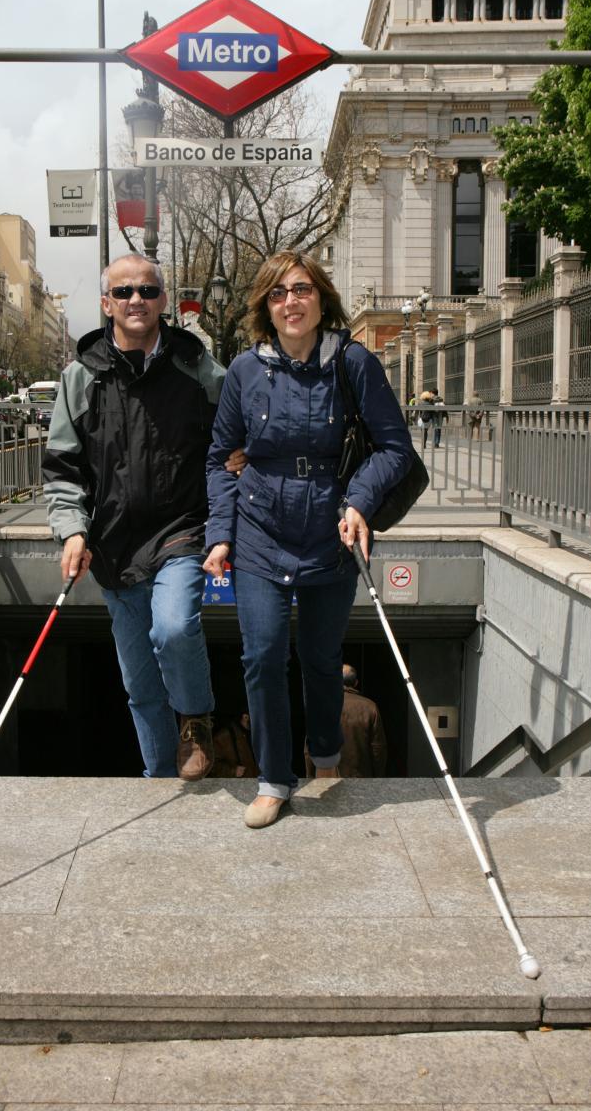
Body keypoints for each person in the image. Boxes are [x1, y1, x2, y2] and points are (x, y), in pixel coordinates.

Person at [203, 250, 414, 828]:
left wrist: (359, 502)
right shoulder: (245, 371)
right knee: (263, 654)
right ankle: (273, 778)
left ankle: (324, 757)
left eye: (301, 290)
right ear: (264, 308)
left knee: (321, 659)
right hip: (260, 529)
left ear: (321, 298)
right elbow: (222, 459)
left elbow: (395, 449)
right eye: (277, 293)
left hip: (330, 526)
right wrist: (220, 534)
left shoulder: (354, 362)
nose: (290, 302)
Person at [43, 253, 240, 782]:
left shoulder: (197, 368)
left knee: (175, 630)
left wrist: (241, 453)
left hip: (181, 530)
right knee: (140, 686)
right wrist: (72, 531)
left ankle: (196, 721)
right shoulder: (79, 378)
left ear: (163, 302)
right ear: (106, 303)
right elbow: (62, 468)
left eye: (148, 291)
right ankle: (157, 779)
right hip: (112, 546)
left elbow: (237, 427)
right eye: (125, 292)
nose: (137, 300)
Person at [305, 665, 387, 778]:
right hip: (360, 779)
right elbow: (378, 749)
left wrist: (310, 776)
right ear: (356, 683)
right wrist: (377, 778)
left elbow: (310, 749)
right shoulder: (370, 707)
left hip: (326, 780)